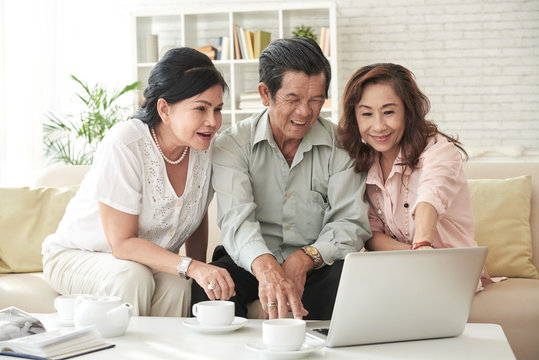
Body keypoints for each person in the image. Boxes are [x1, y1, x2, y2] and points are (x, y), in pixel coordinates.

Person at [42, 47, 235, 316]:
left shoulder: (205, 148)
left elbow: (197, 214)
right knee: (132, 276)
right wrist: (192, 266)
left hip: (144, 263)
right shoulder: (125, 144)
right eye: (201, 108)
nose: (212, 121)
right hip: (76, 256)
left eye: (217, 109)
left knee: (179, 286)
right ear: (165, 109)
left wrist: (198, 273)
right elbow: (121, 244)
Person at [191, 37, 372, 320]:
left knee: (351, 283)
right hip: (251, 261)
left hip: (316, 263)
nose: (306, 112)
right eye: (293, 99)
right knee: (212, 287)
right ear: (265, 94)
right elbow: (237, 221)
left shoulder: (343, 145)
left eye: (316, 100)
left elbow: (349, 221)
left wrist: (304, 258)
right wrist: (266, 267)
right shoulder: (232, 144)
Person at [337, 63, 492, 286]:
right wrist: (416, 255)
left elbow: (430, 198)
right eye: (367, 114)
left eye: (389, 112)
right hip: (401, 269)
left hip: (451, 272)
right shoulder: (363, 161)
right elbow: (370, 234)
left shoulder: (439, 150)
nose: (379, 126)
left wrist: (422, 245)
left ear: (408, 111)